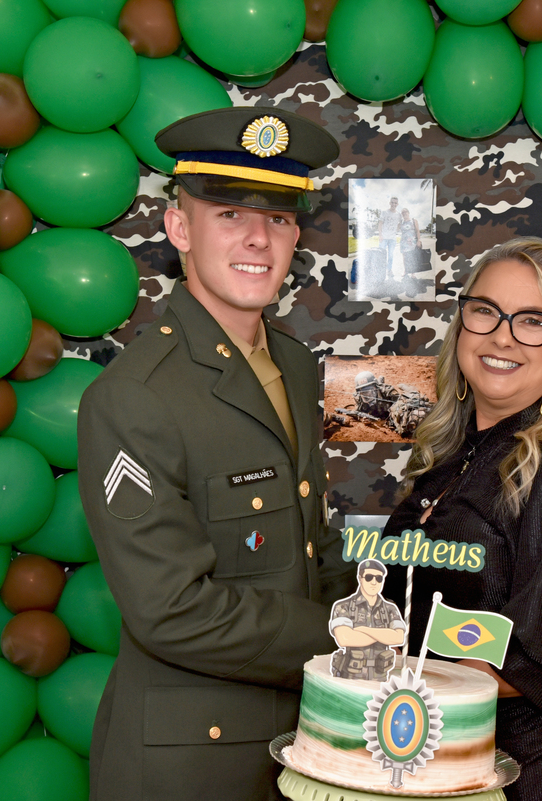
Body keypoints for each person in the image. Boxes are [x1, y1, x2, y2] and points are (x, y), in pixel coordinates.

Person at [78, 107, 354, 801]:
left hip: (302, 742)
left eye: (279, 218)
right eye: (229, 214)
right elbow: (171, 609)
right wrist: (344, 637)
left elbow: (308, 539)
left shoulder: (294, 364)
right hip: (191, 764)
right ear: (179, 228)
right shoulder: (134, 395)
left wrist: (380, 608)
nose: (259, 238)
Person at [382, 238, 542, 801]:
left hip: (531, 776)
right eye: (485, 311)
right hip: (438, 758)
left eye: (534, 321)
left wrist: (380, 679)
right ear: (462, 327)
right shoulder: (451, 452)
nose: (502, 336)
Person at [328, 559, 406, 681]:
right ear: (360, 578)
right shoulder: (343, 606)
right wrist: (385, 635)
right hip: (351, 676)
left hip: (380, 677)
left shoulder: (390, 609)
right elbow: (344, 639)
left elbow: (399, 638)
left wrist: (363, 629)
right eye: (369, 577)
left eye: (379, 578)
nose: (374, 582)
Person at [378, 196, 401, 284]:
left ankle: (389, 270)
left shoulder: (398, 214)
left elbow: (400, 224)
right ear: (389, 203)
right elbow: (380, 223)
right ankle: (380, 271)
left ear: (397, 204)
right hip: (384, 238)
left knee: (390, 255)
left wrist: (397, 230)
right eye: (392, 202)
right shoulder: (384, 212)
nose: (393, 204)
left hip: (392, 239)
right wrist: (380, 235)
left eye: (395, 203)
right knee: (381, 255)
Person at [398, 207, 420, 278]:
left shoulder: (414, 221)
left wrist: (418, 240)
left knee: (412, 257)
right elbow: (397, 229)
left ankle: (413, 273)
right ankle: (406, 271)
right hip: (404, 242)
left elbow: (417, 231)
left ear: (408, 213)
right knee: (405, 257)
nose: (404, 213)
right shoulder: (401, 222)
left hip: (412, 242)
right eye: (403, 213)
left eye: (406, 212)